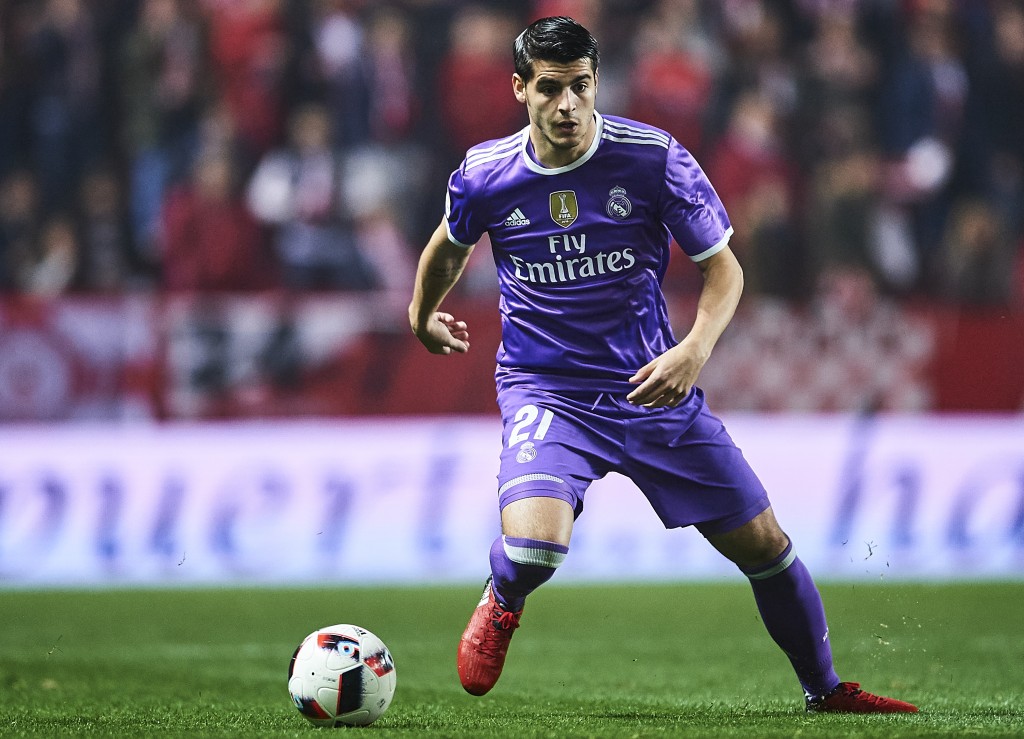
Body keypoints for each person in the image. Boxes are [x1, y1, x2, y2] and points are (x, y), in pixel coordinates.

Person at [408, 16, 918, 714]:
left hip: (652, 388)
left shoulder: (651, 159)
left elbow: (725, 270)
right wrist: (421, 314)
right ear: (520, 88)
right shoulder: (485, 173)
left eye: (581, 86)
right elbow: (449, 245)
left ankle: (825, 689)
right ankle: (504, 594)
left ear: (597, 81)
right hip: (548, 391)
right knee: (533, 550)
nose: (568, 105)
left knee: (765, 544)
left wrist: (695, 348)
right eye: (550, 88)